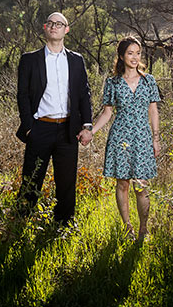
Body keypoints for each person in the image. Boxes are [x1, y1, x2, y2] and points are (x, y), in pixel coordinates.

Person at [15, 12, 93, 225]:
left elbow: (84, 94)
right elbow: (22, 95)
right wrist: (29, 127)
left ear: (66, 30)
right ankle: (21, 224)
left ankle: (63, 226)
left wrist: (87, 126)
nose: (54, 26)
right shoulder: (29, 60)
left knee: (67, 183)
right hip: (40, 128)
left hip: (68, 129)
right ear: (44, 27)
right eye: (50, 23)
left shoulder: (76, 60)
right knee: (31, 180)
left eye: (59, 24)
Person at [90, 36, 161, 240]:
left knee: (141, 185)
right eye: (130, 53)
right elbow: (107, 113)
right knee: (122, 184)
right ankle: (127, 228)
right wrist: (91, 132)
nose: (135, 57)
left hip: (142, 137)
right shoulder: (112, 82)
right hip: (120, 137)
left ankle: (143, 229)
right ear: (121, 56)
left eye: (138, 53)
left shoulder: (149, 81)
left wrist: (156, 139)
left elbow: (154, 112)